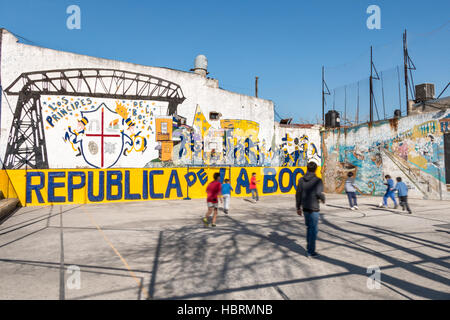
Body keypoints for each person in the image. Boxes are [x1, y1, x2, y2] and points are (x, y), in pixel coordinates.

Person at [296, 162, 326, 258]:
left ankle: (310, 248)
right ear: (316, 169)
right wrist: (323, 198)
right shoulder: (318, 180)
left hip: (305, 207)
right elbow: (318, 193)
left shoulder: (301, 180)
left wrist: (298, 207)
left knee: (310, 228)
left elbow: (298, 194)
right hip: (314, 208)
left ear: (307, 168)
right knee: (313, 229)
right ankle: (310, 251)